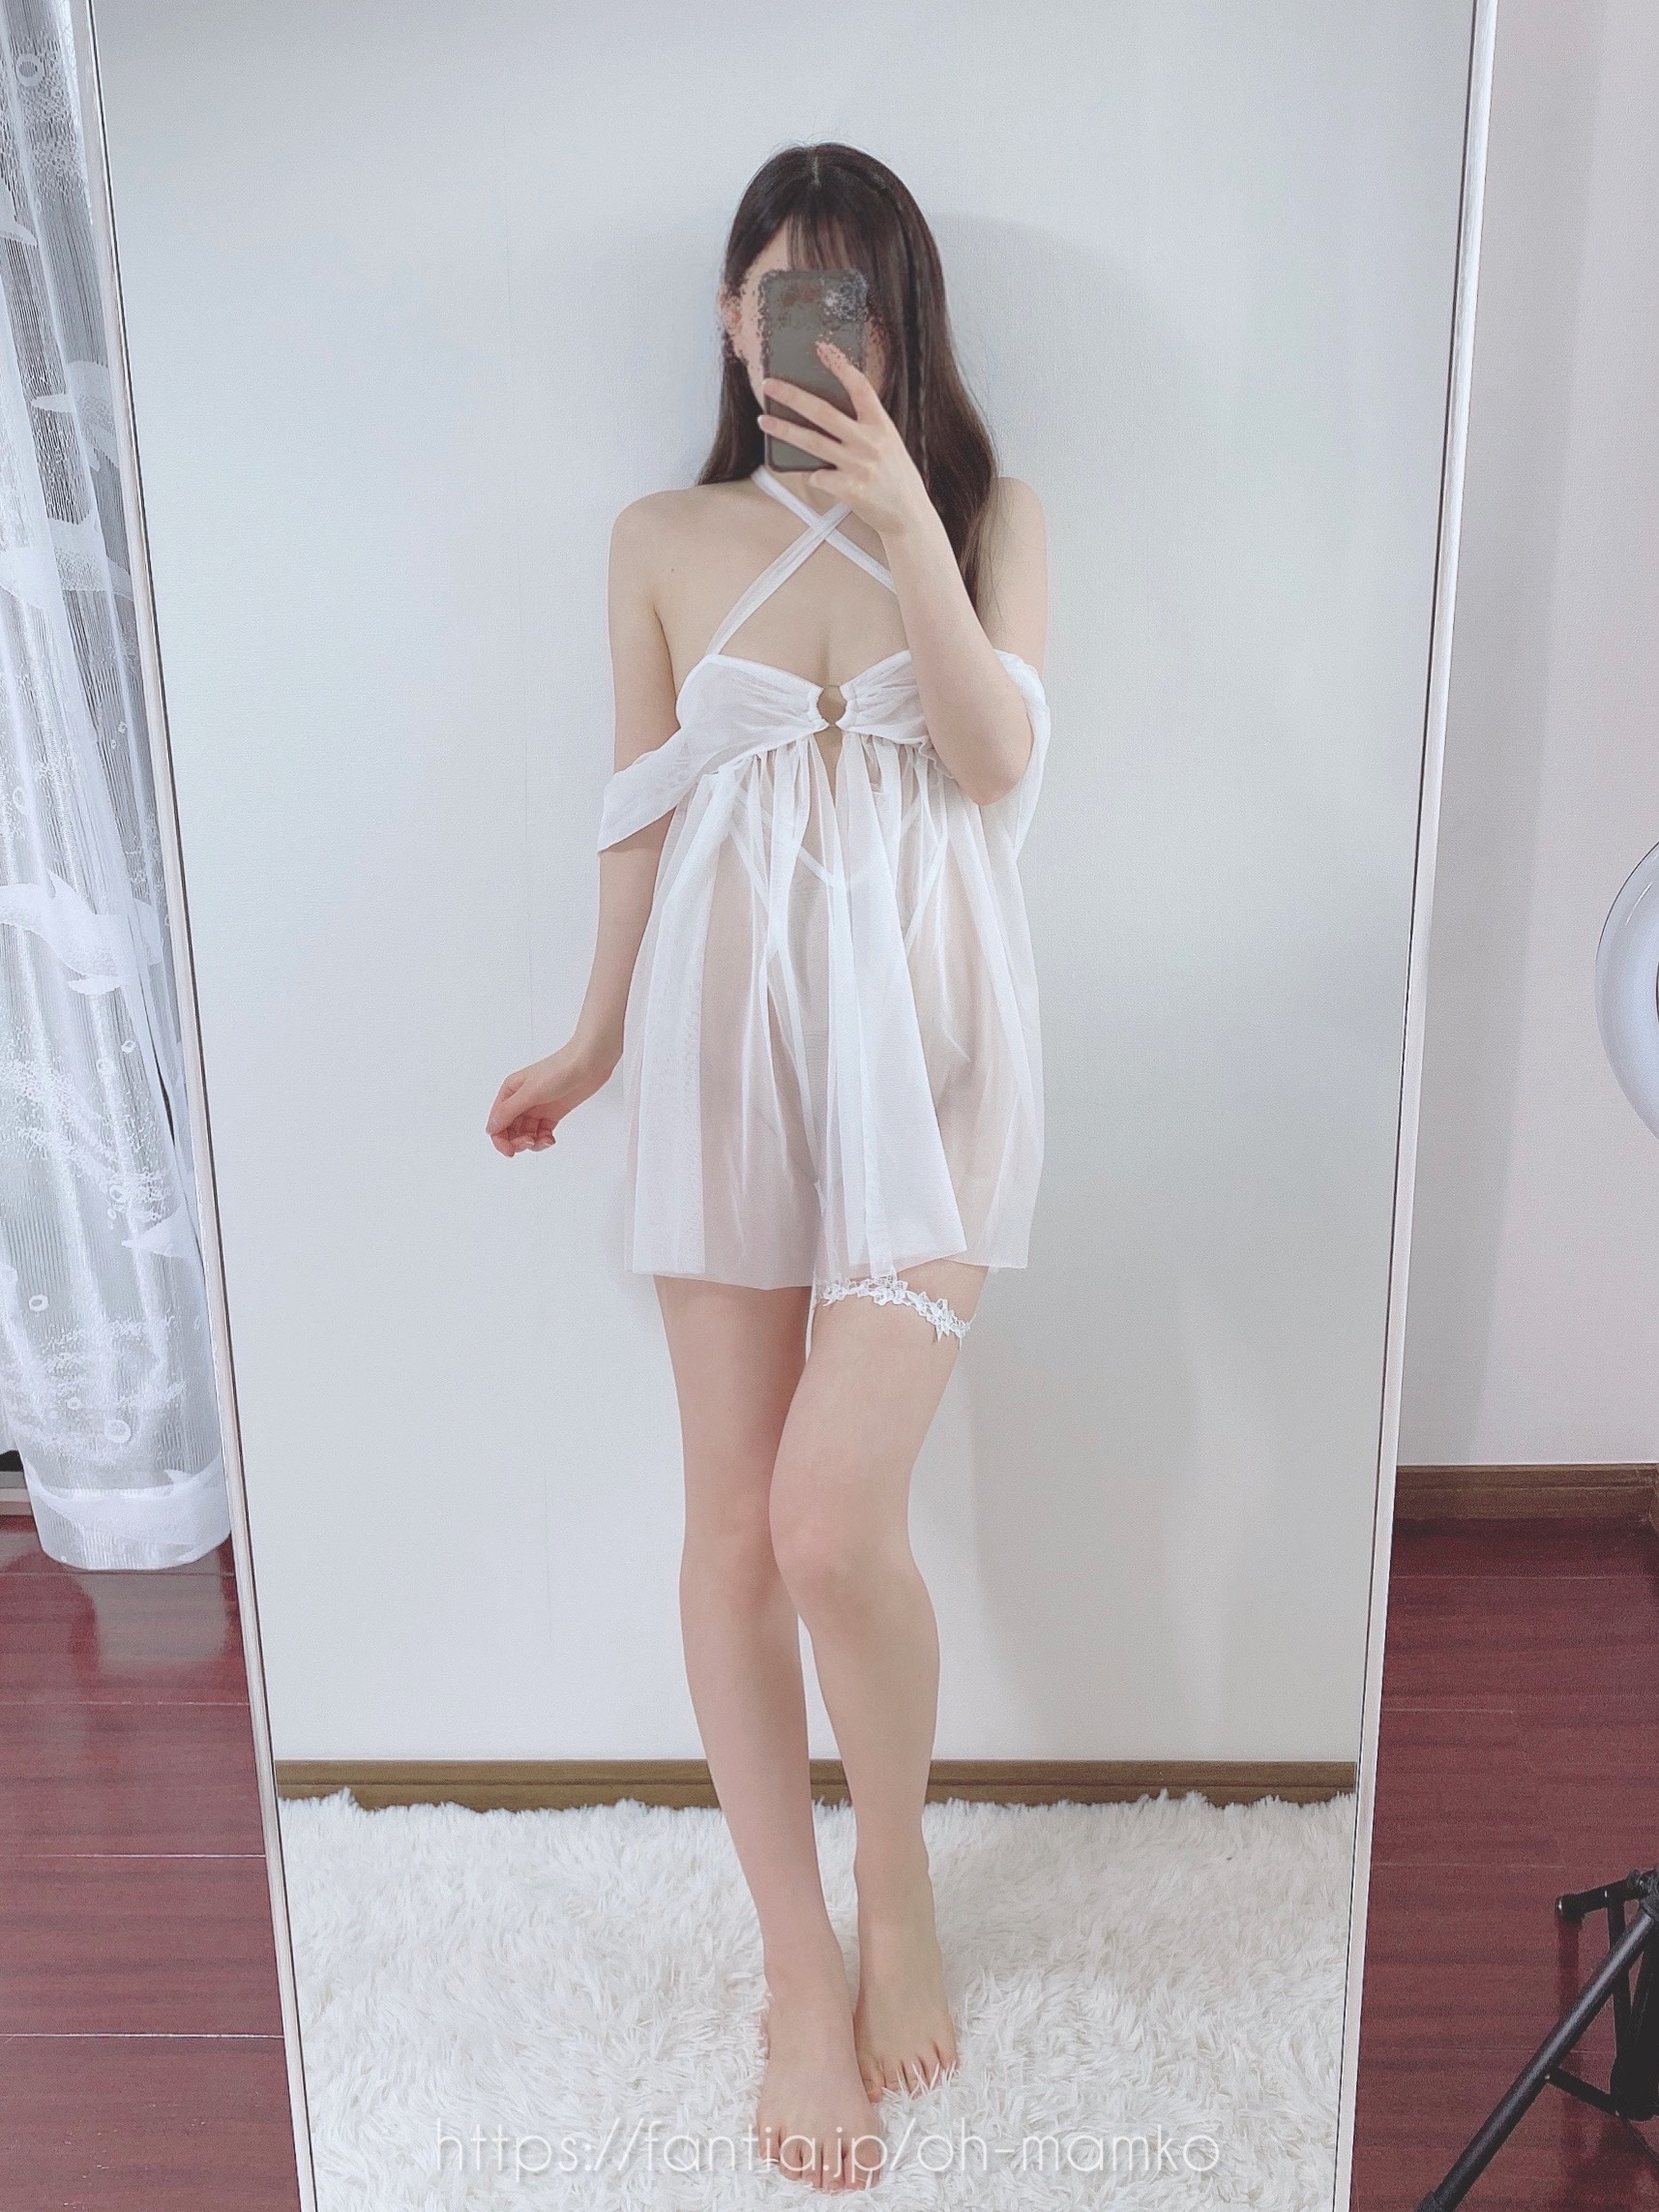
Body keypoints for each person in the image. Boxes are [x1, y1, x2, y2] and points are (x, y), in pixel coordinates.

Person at [488, 142, 1048, 2193]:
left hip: (941, 1062)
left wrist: (901, 514)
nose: (813, 325)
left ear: (902, 324)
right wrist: (594, 1035)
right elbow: (639, 808)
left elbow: (998, 761)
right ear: (731, 315)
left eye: (854, 294)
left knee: (829, 1523)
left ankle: (898, 1887)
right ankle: (797, 1966)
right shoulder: (657, 537)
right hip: (724, 1057)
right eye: (779, 289)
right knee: (732, 1529)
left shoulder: (987, 516)